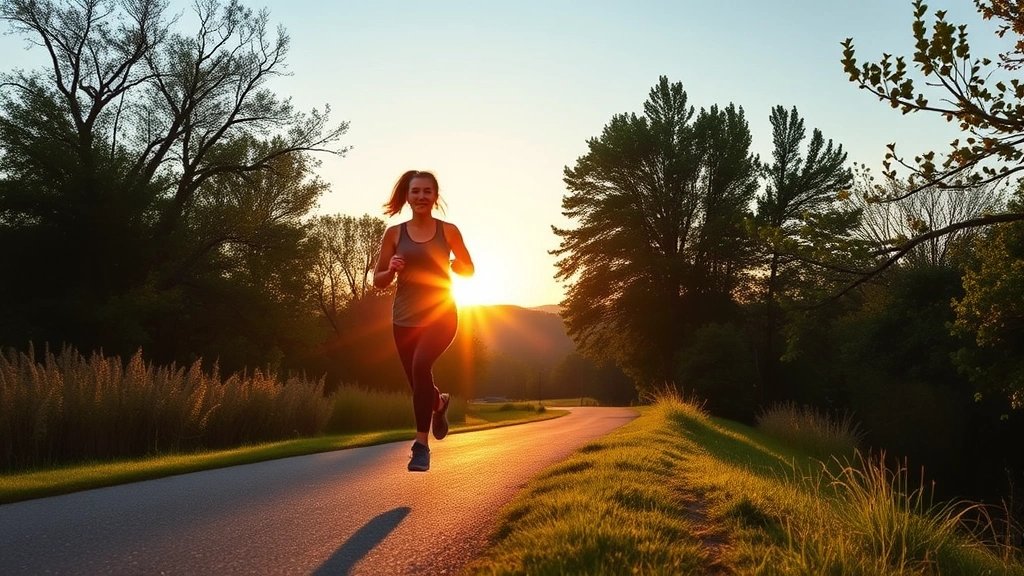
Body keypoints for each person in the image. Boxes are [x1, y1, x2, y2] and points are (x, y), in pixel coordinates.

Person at [373, 170, 475, 472]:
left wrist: (458, 266)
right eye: (416, 191)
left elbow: (470, 269)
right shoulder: (394, 233)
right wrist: (390, 269)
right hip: (403, 320)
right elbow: (378, 281)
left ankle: (421, 447)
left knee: (420, 367)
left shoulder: (449, 231)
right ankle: (439, 403)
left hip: (441, 315)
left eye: (427, 192)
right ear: (408, 196)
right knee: (419, 383)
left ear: (435, 196)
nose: (421, 197)